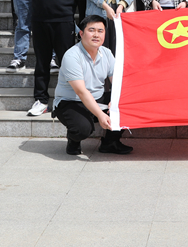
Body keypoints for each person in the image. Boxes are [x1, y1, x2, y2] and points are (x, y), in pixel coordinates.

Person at [52, 15, 132, 155]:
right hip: (71, 101)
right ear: (81, 33)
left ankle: (110, 143)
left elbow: (118, 82)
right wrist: (101, 115)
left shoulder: (106, 53)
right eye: (91, 30)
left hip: (97, 97)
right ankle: (73, 140)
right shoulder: (72, 56)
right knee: (82, 129)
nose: (96, 35)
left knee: (128, 102)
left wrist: (116, 100)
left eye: (100, 31)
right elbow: (81, 92)